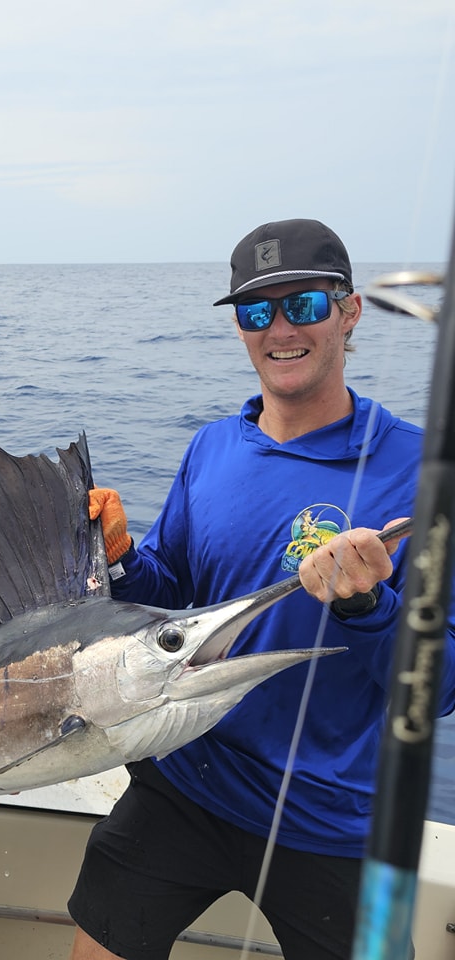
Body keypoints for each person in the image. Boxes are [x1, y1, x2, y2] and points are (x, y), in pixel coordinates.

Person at [68, 219, 455, 960]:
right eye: (255, 311)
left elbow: (440, 691)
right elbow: (172, 592)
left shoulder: (420, 471)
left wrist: (368, 607)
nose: (279, 329)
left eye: (302, 305)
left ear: (349, 311)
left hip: (331, 819)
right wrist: (118, 558)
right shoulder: (211, 446)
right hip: (187, 779)